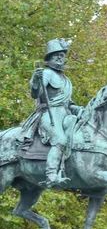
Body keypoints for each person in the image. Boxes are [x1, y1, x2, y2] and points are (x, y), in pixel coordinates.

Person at [18, 38, 83, 187]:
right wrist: (35, 79)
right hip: (49, 114)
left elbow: (68, 102)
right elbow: (36, 93)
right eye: (56, 55)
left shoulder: (66, 79)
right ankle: (51, 174)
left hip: (65, 114)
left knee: (79, 138)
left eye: (62, 55)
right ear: (49, 58)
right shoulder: (46, 73)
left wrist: (78, 109)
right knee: (60, 140)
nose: (60, 58)